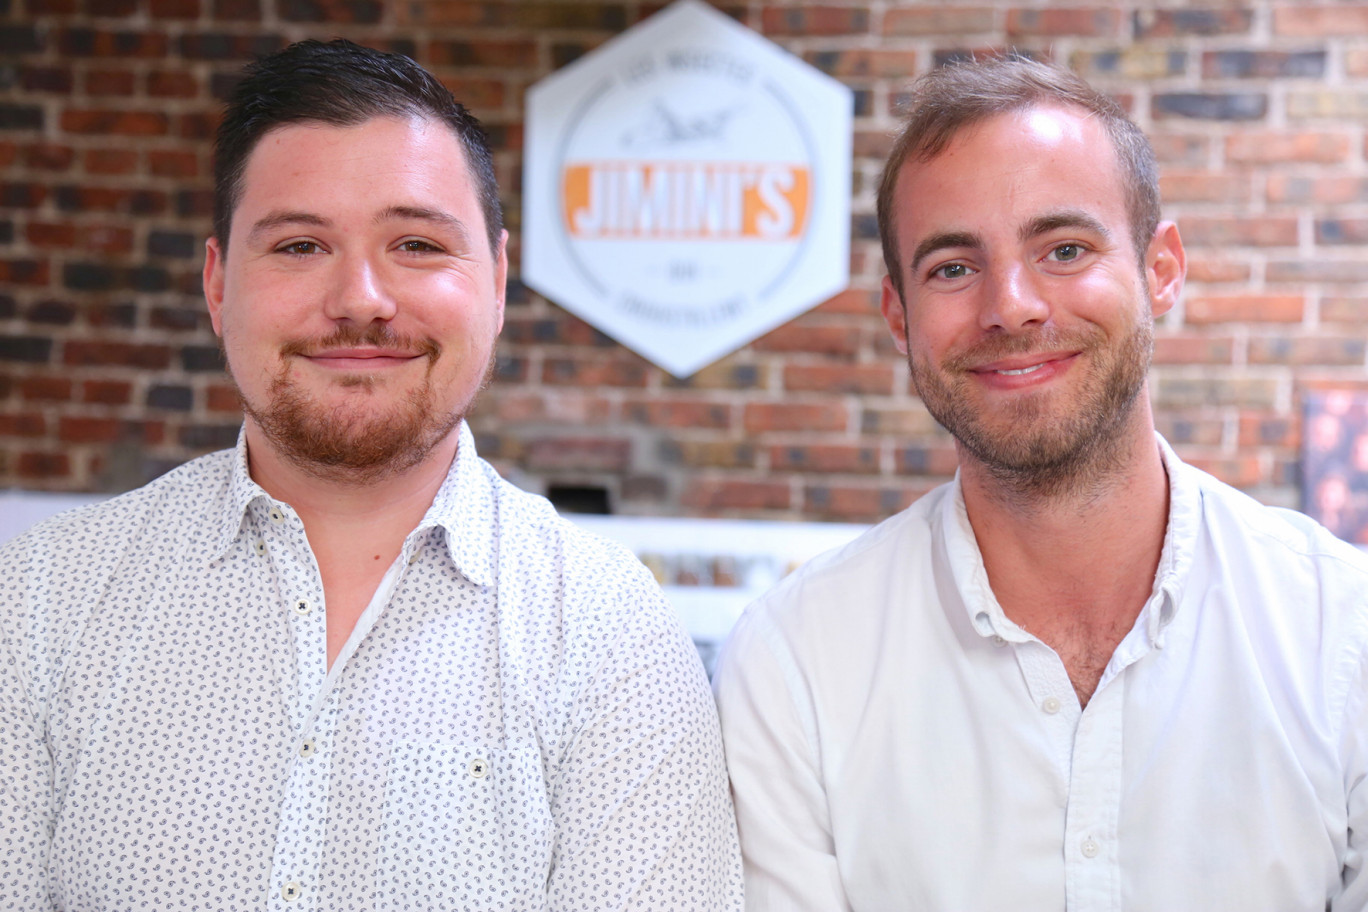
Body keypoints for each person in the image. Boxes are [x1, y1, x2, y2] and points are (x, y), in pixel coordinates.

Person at [1, 39, 742, 910]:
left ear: (497, 283)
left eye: (418, 243)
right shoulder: (39, 603)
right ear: (217, 284)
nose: (361, 297)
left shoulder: (611, 632)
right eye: (300, 245)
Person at [712, 55, 1368, 911]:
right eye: (953, 266)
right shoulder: (795, 663)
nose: (1011, 306)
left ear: (1161, 269)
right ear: (899, 315)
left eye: (1064, 249)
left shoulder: (1342, 632)